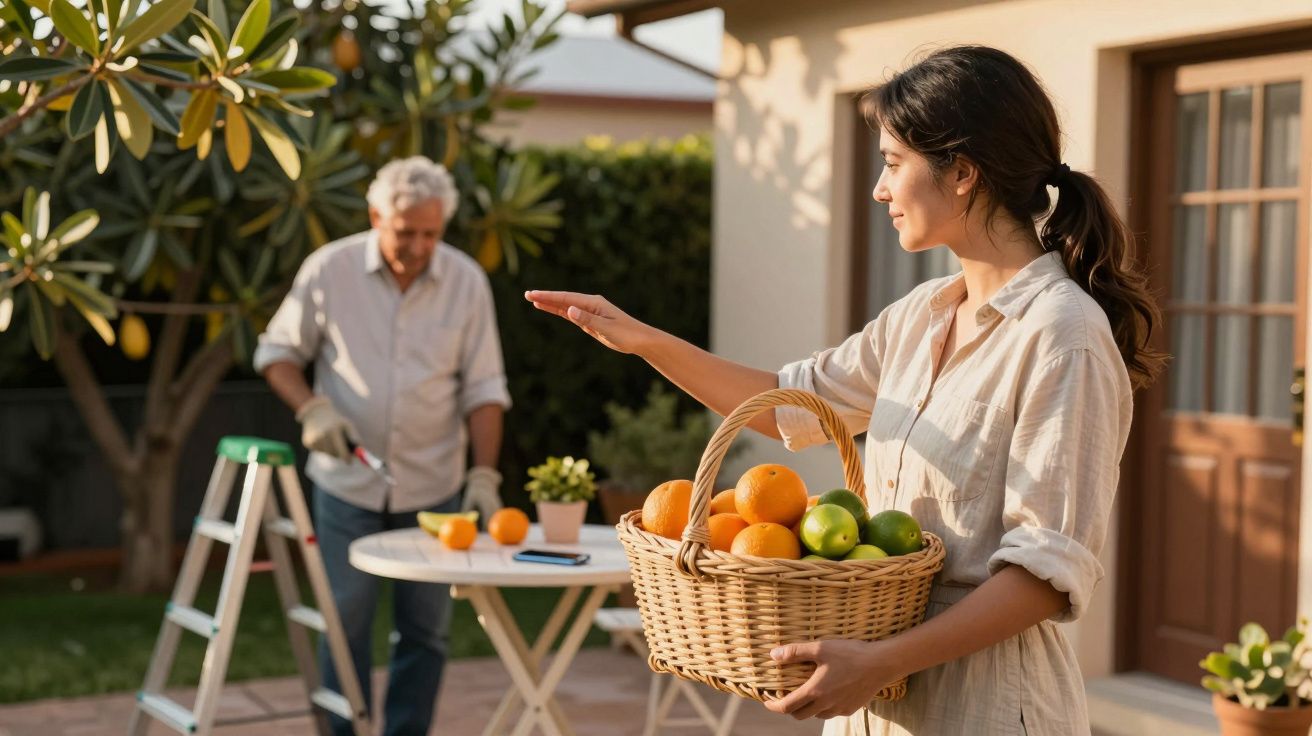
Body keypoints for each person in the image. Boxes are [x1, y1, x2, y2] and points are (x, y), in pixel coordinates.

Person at [525, 45, 1164, 735]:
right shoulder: (920, 316)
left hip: (983, 707)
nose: (879, 189)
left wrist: (884, 661)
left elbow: (1045, 574)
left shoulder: (1063, 334)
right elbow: (788, 404)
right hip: (870, 700)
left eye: (893, 164)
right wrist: (644, 340)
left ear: (964, 173)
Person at [255, 156, 511, 736]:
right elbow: (276, 355)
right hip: (345, 487)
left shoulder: (467, 281)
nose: (419, 246)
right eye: (405, 231)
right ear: (376, 215)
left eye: (431, 233)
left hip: (436, 488)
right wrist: (312, 408)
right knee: (343, 623)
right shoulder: (329, 269)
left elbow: (485, 389)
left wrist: (484, 476)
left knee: (427, 632)